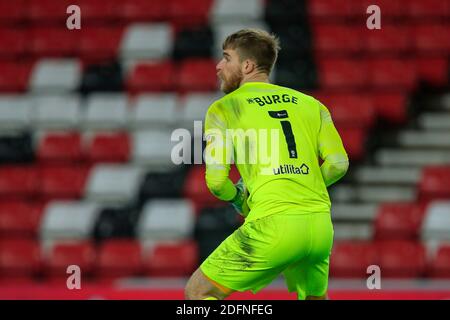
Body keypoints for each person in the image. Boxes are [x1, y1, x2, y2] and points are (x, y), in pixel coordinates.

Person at [185, 29, 349, 300]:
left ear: (247, 65)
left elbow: (215, 183)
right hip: (319, 226)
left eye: (227, 58)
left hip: (273, 225)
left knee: (198, 292)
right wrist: (303, 183)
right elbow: (338, 163)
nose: (219, 66)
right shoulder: (312, 105)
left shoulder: (225, 109)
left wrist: (238, 197)